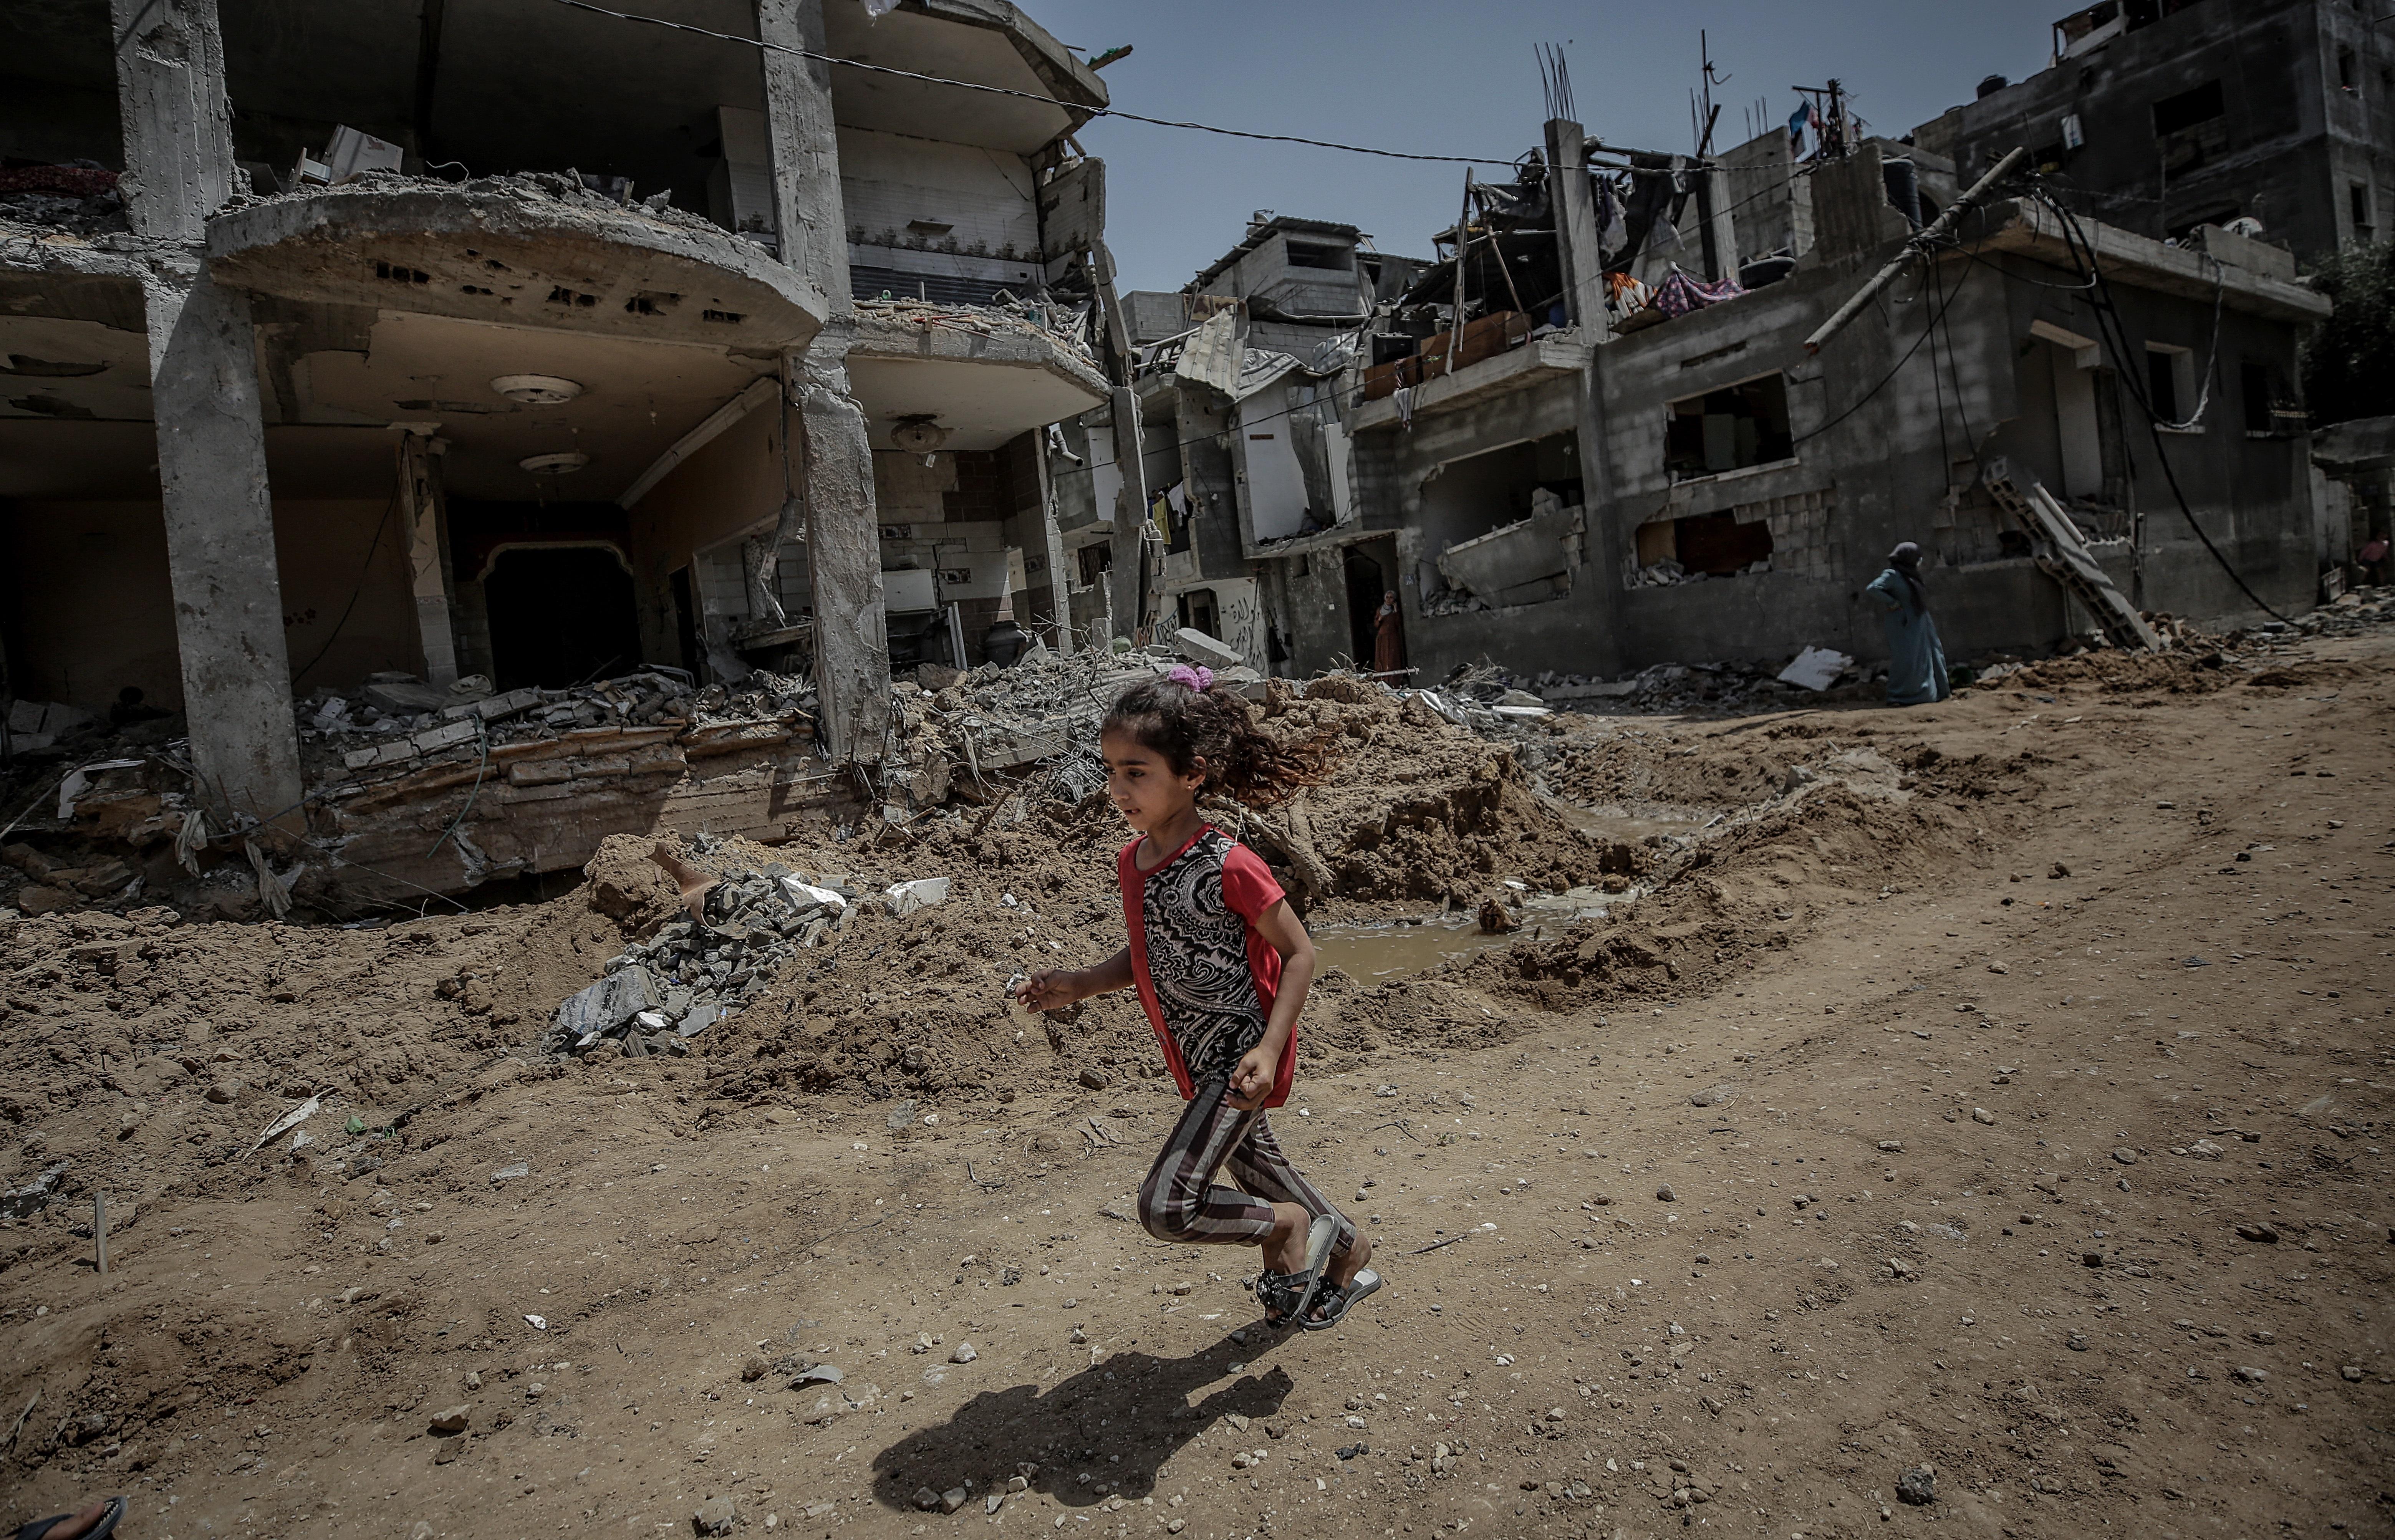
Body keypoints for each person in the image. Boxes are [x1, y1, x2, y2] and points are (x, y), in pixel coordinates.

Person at [1014, 666, 1381, 1331]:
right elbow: (1156, 953)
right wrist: (1081, 983)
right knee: (1258, 1166)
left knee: (1167, 1205)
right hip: (1194, 1062)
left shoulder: (1229, 863)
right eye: (1111, 771)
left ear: (1192, 774)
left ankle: (1287, 1230)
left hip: (1239, 1064)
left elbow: (1301, 953)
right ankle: (1348, 1253)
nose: (1117, 789)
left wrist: (1270, 1050)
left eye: (1136, 772)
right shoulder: (1135, 863)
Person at [1866, 541, 1950, 706]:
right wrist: (1893, 603)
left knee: (1932, 654)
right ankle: (1901, 696)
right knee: (1908, 659)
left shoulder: (1911, 574)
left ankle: (1935, 692)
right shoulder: (1892, 574)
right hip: (1904, 621)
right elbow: (1873, 588)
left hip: (1921, 619)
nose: (1920, 560)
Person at [1373, 591, 1405, 677]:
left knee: (1392, 659)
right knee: (1383, 659)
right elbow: (1376, 625)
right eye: (1387, 597)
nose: (1389, 600)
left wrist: (1396, 612)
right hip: (1382, 638)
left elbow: (1398, 624)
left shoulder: (1395, 611)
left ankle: (1394, 680)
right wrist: (1380, 619)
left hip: (1392, 638)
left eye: (1391, 598)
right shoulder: (1380, 610)